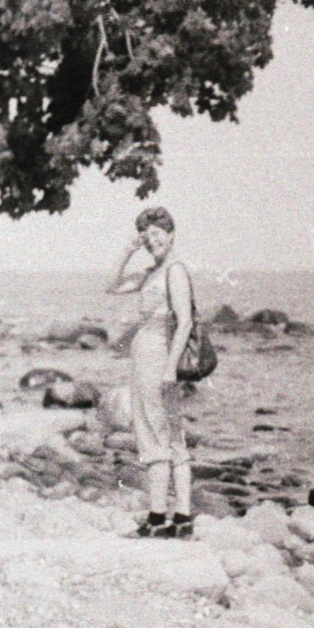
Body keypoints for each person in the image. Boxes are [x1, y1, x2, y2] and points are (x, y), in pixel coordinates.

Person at [107, 206, 195, 538]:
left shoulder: (175, 271)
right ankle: (180, 518)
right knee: (166, 433)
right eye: (147, 237)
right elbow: (111, 285)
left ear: (171, 235)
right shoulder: (150, 273)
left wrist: (171, 368)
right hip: (148, 358)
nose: (151, 241)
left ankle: (161, 518)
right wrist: (128, 250)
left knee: (156, 432)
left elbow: (185, 322)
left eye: (157, 234)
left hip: (158, 358)